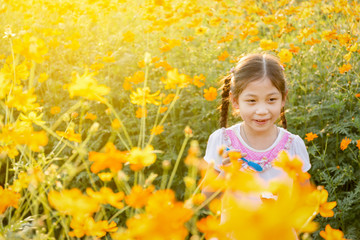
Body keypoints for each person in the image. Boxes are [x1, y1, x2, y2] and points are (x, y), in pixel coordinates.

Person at [202, 53, 311, 199]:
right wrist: (225, 174)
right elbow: (205, 199)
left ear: (283, 98)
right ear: (235, 100)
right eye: (252, 101)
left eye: (271, 99)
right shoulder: (222, 142)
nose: (262, 111)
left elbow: (306, 201)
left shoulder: (293, 145)